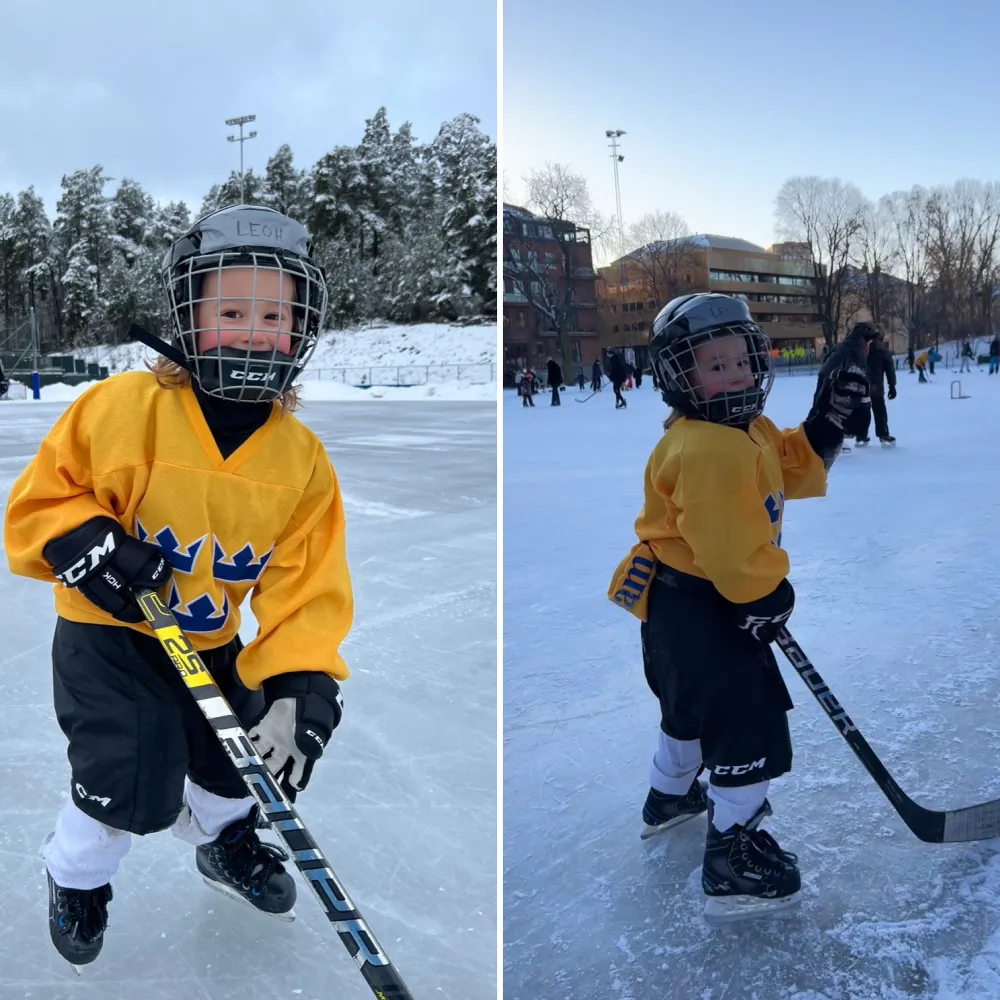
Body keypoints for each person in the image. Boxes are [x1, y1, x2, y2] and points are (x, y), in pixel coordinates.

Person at [3, 205, 352, 966]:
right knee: (126, 778)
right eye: (230, 309)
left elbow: (307, 586)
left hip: (212, 639)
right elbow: (38, 506)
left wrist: (303, 680)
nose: (254, 331)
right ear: (189, 314)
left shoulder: (300, 459)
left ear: (302, 328)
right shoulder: (122, 409)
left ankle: (224, 842)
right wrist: (89, 542)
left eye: (273, 314)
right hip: (110, 638)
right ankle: (79, 877)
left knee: (247, 762)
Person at [606, 293, 868, 921]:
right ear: (681, 378)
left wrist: (824, 425)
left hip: (681, 610)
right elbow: (728, 547)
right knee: (745, 725)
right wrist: (766, 596)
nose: (735, 376)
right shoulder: (708, 448)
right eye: (713, 367)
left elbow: (784, 466)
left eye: (741, 362)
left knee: (688, 715)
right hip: (711, 606)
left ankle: (668, 801)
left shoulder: (741, 430)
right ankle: (733, 857)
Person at [853, 327, 897, 447]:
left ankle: (861, 436)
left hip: (861, 386)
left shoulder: (859, 349)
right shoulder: (883, 351)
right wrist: (892, 386)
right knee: (880, 410)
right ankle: (883, 435)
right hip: (876, 387)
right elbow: (890, 371)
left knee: (863, 410)